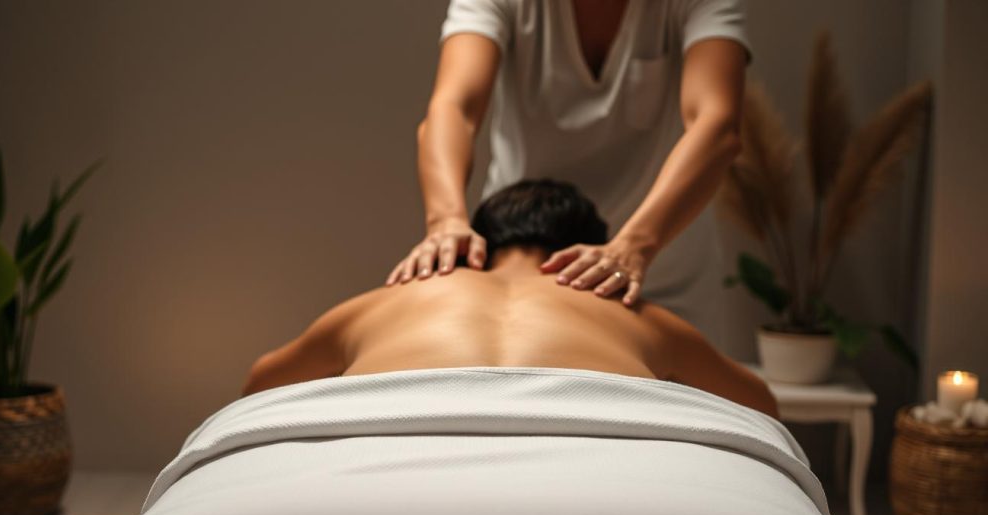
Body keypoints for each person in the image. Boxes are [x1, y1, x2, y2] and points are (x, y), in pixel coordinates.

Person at [244, 179, 777, 419]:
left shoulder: (382, 303)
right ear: (589, 251)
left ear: (475, 244)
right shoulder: (638, 316)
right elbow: (760, 404)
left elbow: (260, 385)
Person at [385, 0, 749, 347]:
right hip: (524, 260)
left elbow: (717, 124)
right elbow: (454, 108)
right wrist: (445, 220)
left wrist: (635, 246)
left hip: (660, 264)